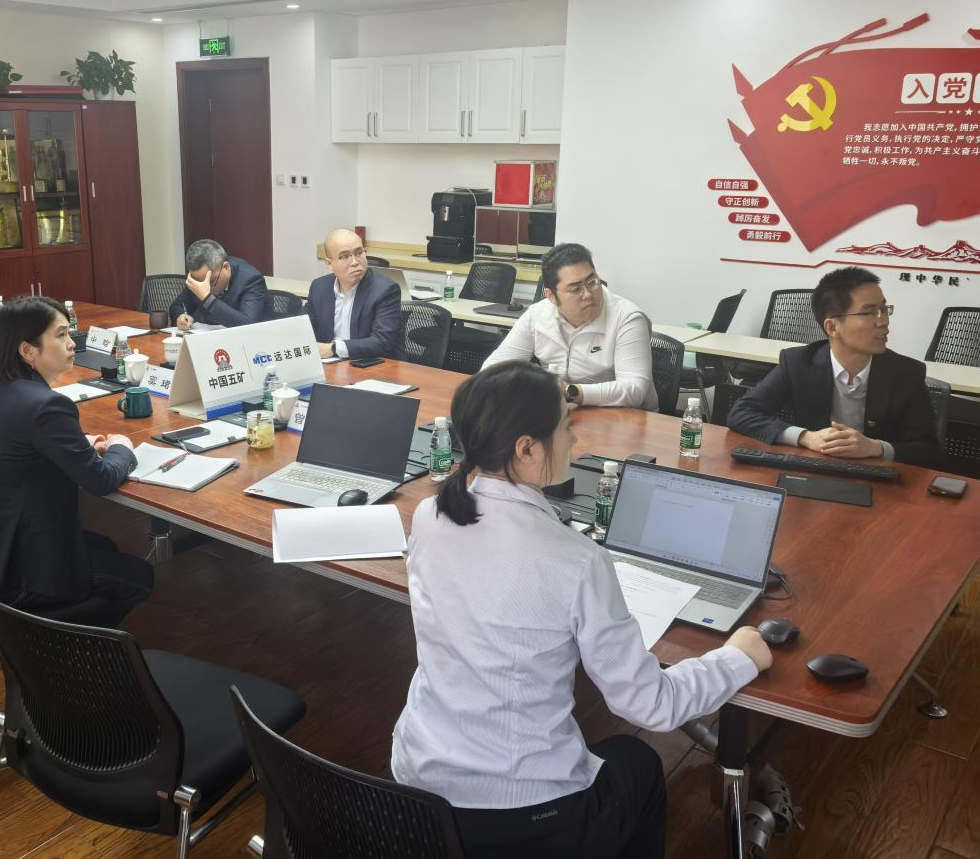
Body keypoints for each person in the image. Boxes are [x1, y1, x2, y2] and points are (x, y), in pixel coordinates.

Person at [391, 361, 772, 859]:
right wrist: (738, 657)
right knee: (637, 760)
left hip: (416, 785)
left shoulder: (431, 513)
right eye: (566, 426)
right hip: (520, 813)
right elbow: (650, 705)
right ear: (527, 449)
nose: (575, 440)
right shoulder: (575, 559)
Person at [0, 297, 153, 626]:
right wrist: (123, 449)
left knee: (104, 544)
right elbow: (100, 480)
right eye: (60, 335)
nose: (72, 343)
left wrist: (81, 443)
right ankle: (61, 647)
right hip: (17, 574)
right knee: (139, 576)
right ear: (28, 351)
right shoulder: (47, 406)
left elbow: (26, 439)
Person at [728, 266, 939, 466]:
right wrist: (805, 437)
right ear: (832, 327)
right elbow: (742, 413)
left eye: (884, 309)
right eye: (869, 313)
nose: (883, 321)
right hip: (814, 469)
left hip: (880, 477)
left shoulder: (906, 373)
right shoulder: (798, 363)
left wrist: (876, 448)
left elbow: (928, 450)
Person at [482, 243, 657, 411]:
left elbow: (634, 389)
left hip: (625, 416)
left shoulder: (627, 318)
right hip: (562, 413)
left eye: (592, 282)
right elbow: (492, 370)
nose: (588, 294)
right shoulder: (536, 315)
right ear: (551, 296)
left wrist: (571, 393)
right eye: (575, 289)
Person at [304, 228, 402, 360]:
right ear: (329, 264)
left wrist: (333, 349)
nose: (355, 262)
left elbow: (381, 342)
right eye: (344, 257)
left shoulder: (385, 290)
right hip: (331, 364)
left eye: (359, 253)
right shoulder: (319, 287)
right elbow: (303, 329)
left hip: (372, 365)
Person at [168, 239, 268, 329]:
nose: (204, 287)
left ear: (226, 267)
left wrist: (208, 299)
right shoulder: (198, 278)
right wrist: (181, 317)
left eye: (211, 281)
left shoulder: (251, 280)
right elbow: (177, 306)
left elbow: (247, 324)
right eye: (199, 282)